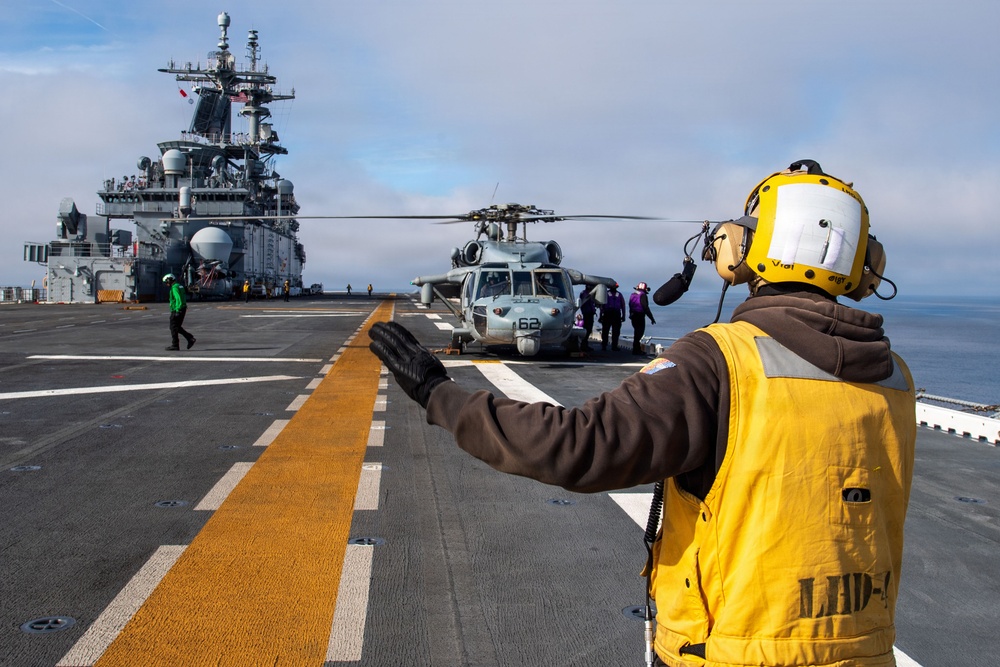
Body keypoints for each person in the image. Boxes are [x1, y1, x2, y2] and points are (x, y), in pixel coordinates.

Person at [368, 160, 916, 667]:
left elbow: (578, 446)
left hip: (728, 651)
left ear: (741, 251)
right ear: (867, 267)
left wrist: (440, 395)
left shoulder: (719, 362)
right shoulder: (894, 377)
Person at [163, 274, 195, 351]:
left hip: (177, 309)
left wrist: (177, 310)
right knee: (176, 327)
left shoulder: (174, 288)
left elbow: (178, 299)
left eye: (166, 282)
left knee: (173, 327)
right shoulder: (179, 286)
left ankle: (175, 345)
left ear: (169, 280)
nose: (166, 284)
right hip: (182, 309)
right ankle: (190, 338)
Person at [629, 282, 656, 355]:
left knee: (636, 332)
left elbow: (630, 305)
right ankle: (636, 350)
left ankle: (636, 349)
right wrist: (651, 318)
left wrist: (630, 314)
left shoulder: (633, 294)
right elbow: (645, 307)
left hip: (633, 315)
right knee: (639, 333)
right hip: (640, 316)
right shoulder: (643, 295)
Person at [600, 282, 626, 351]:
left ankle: (614, 346)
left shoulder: (618, 295)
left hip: (615, 314)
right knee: (606, 330)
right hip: (608, 313)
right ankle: (604, 345)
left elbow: (623, 305)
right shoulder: (607, 294)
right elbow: (602, 305)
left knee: (615, 331)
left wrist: (623, 315)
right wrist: (601, 315)